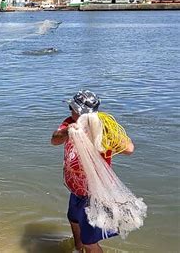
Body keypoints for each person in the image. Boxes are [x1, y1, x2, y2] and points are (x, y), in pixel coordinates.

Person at [51, 90, 135, 253]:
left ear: (81, 112)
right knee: (73, 220)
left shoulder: (103, 128)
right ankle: (77, 248)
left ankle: (86, 247)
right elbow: (54, 140)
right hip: (76, 190)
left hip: (95, 194)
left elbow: (130, 149)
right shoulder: (69, 123)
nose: (70, 111)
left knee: (90, 241)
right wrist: (68, 131)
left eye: (72, 108)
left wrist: (110, 136)